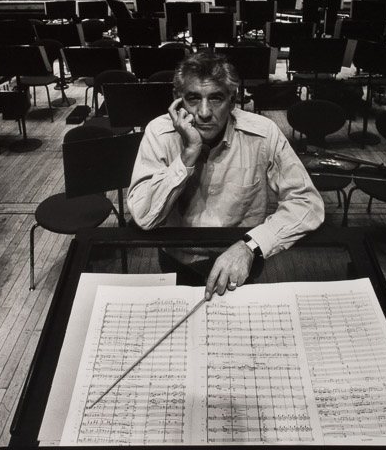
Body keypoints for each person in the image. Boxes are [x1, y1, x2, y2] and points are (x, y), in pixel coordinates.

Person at [128, 51, 325, 300]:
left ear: (233, 100)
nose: (204, 112)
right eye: (192, 99)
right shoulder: (159, 133)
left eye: (216, 98)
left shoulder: (264, 133)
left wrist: (251, 245)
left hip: (242, 258)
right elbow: (144, 217)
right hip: (179, 259)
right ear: (177, 101)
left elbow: (307, 203)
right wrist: (188, 154)